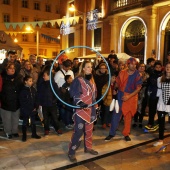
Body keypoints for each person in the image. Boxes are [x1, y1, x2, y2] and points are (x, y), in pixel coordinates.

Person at [105, 57, 142, 142]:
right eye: (132, 64)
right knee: (116, 114)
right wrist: (115, 89)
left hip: (131, 97)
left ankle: (126, 134)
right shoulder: (122, 73)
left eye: (135, 64)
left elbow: (138, 88)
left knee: (128, 116)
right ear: (128, 64)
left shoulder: (137, 75)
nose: (134, 66)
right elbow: (117, 82)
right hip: (120, 95)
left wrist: (128, 96)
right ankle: (111, 133)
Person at [68, 60, 98, 162]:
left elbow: (94, 96)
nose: (90, 68)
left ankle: (88, 148)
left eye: (91, 67)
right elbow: (75, 94)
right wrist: (80, 103)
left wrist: (96, 107)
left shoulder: (92, 80)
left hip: (91, 109)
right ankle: (71, 152)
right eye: (88, 67)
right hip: (81, 110)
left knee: (89, 131)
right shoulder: (78, 80)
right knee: (78, 131)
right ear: (83, 68)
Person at [37, 67, 62, 136]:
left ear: (49, 76)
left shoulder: (53, 84)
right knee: (46, 118)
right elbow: (39, 94)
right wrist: (39, 103)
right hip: (44, 104)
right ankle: (46, 129)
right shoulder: (42, 84)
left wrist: (54, 101)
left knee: (54, 117)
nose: (43, 77)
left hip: (52, 104)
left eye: (44, 75)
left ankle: (58, 128)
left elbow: (57, 94)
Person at [0, 63, 23, 139]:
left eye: (14, 68)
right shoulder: (3, 78)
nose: (13, 69)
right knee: (7, 119)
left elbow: (21, 89)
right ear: (7, 70)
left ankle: (14, 131)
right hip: (6, 102)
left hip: (16, 101)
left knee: (15, 118)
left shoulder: (18, 77)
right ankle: (8, 132)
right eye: (10, 68)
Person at [19, 75, 41, 142]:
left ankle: (34, 134)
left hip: (33, 109)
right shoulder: (22, 91)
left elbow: (36, 98)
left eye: (32, 81)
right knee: (25, 122)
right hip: (26, 109)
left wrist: (36, 106)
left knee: (33, 122)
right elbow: (23, 101)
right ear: (25, 82)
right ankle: (24, 135)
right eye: (30, 81)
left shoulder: (33, 89)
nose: (32, 82)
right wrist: (30, 108)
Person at [153, 62, 170, 146]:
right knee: (161, 122)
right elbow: (159, 92)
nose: (168, 68)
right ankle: (160, 140)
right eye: (167, 66)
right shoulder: (160, 79)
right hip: (162, 102)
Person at [146, 61, 162, 128]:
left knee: (160, 110)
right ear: (154, 67)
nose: (158, 68)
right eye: (156, 67)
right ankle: (150, 122)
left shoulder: (163, 75)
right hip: (153, 94)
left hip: (161, 95)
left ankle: (160, 123)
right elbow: (151, 84)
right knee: (152, 110)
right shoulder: (152, 75)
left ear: (161, 68)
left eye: (159, 67)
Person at [133, 63, 149, 128]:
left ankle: (140, 121)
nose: (142, 68)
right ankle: (135, 121)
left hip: (144, 94)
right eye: (140, 66)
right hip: (135, 93)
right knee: (135, 108)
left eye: (143, 67)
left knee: (142, 108)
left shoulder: (147, 75)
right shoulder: (134, 75)